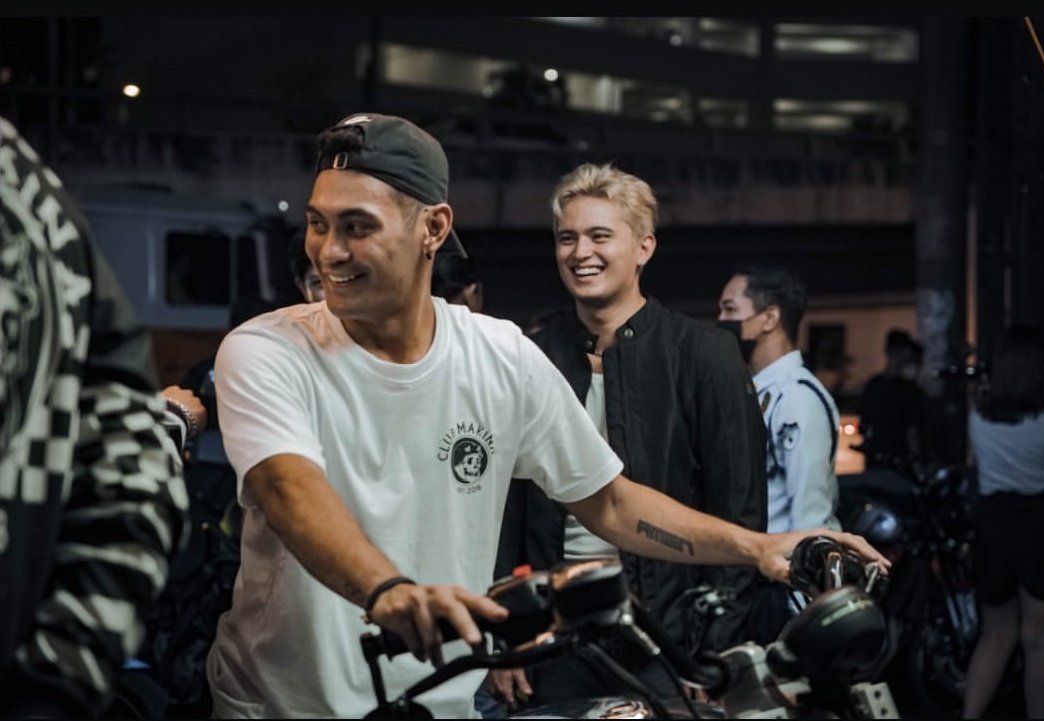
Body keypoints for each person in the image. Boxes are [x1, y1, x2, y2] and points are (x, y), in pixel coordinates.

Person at [204, 111, 887, 719]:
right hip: (284, 704)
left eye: (357, 227)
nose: (328, 250)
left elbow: (609, 501)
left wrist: (758, 547)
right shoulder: (267, 348)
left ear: (433, 228)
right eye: (318, 224)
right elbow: (288, 487)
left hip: (442, 699)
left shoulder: (500, 354)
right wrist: (386, 590)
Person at [486, 163, 768, 713]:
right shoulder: (530, 357)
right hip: (553, 640)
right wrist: (508, 637)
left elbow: (739, 509)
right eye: (567, 238)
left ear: (643, 247)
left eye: (599, 236)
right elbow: (501, 512)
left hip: (668, 641)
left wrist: (710, 649)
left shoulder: (705, 356)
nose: (580, 253)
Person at [0, 115, 189, 717]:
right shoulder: (30, 187)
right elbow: (136, 466)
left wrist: (52, 687)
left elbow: (130, 460)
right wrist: (60, 679)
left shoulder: (22, 184)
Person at [717, 261, 842, 642]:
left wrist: (806, 611)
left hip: (781, 590)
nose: (721, 321)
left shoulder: (798, 398)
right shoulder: (758, 391)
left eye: (730, 309)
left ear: (769, 318)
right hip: (750, 579)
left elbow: (811, 514)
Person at [963, 324, 1044, 720]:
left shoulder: (978, 417)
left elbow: (972, 464)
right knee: (1039, 641)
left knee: (996, 635)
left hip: (993, 522)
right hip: (1039, 522)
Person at [857, 328, 925, 468]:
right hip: (900, 461)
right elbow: (913, 430)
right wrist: (916, 460)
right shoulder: (908, 389)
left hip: (876, 458)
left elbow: (865, 423)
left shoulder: (873, 385)